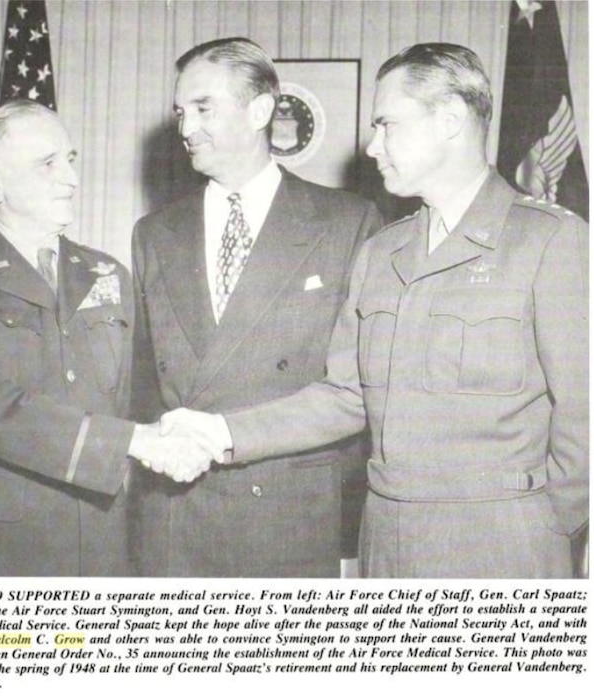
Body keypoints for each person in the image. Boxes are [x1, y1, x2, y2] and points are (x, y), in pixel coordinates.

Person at [165, 43, 588, 578]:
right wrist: (220, 432)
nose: (371, 146)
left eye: (387, 125)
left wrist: (552, 526)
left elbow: (584, 413)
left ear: (451, 120)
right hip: (387, 544)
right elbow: (345, 395)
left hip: (504, 546)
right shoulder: (382, 251)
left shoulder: (550, 241)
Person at [0, 100, 220, 577]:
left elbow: (142, 393)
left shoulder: (109, 274)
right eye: (47, 164)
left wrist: (194, 436)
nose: (71, 179)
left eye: (71, 159)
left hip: (99, 541)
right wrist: (137, 441)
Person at [129, 37, 383, 577]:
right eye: (180, 112)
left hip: (286, 518)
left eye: (203, 108)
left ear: (261, 110)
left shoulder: (348, 223)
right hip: (175, 519)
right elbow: (143, 383)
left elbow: (354, 392)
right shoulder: (153, 234)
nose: (185, 128)